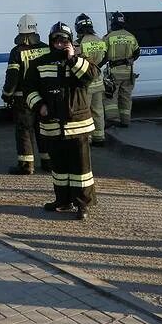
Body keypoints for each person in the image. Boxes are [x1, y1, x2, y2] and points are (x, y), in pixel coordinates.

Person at [24, 22, 99, 220]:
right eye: (56, 40)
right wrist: (39, 105)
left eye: (63, 40)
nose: (59, 43)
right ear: (51, 41)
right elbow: (29, 89)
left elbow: (91, 76)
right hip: (51, 125)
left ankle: (83, 204)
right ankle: (63, 200)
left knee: (81, 170)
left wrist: (72, 58)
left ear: (70, 41)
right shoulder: (39, 63)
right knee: (59, 168)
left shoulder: (80, 60)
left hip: (77, 125)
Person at [1, 14, 51, 174]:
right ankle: (48, 161)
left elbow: (12, 77)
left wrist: (7, 94)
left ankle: (26, 165)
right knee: (43, 128)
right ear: (35, 28)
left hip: (23, 98)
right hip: (44, 97)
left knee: (24, 130)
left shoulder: (16, 52)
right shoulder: (46, 48)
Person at [75, 13, 108, 147]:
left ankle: (87, 138)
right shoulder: (100, 40)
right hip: (98, 81)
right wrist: (96, 67)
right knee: (98, 110)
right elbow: (106, 57)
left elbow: (75, 62)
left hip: (86, 83)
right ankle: (99, 136)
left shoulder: (78, 43)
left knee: (85, 112)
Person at [103, 12, 140, 127]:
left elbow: (103, 54)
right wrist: (130, 60)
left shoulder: (109, 37)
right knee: (126, 97)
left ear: (113, 22)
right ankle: (125, 121)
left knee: (110, 95)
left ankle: (113, 119)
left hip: (114, 72)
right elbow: (137, 52)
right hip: (128, 72)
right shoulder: (131, 36)